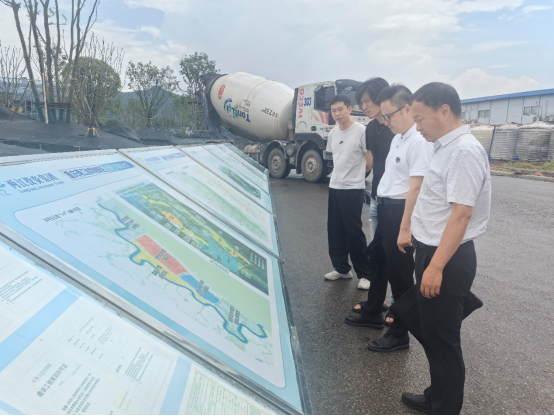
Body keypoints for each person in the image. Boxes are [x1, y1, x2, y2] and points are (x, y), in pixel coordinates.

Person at [399, 83, 492, 416]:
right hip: (434, 252)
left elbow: (461, 215)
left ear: (444, 110)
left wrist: (436, 267)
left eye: (420, 119)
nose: (417, 127)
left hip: (446, 258)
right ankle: (436, 395)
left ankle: (444, 408)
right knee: (430, 330)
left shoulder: (464, 151)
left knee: (444, 341)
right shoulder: (444, 147)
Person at [345, 85, 433, 354]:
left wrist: (405, 228)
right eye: (383, 116)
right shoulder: (398, 138)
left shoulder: (419, 142)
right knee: (378, 261)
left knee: (400, 274)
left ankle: (399, 333)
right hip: (385, 208)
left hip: (399, 212)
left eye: (389, 116)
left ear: (407, 109)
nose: (385, 121)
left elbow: (416, 188)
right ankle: (373, 312)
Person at [353, 78, 397, 299]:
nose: (364, 106)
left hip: (396, 200)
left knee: (396, 256)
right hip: (376, 197)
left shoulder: (397, 128)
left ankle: (398, 307)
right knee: (378, 255)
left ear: (381, 97)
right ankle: (376, 303)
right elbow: (370, 161)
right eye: (361, 102)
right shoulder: (370, 128)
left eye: (367, 100)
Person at [324, 95, 373, 286]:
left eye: (340, 109)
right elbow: (336, 158)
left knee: (354, 233)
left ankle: (365, 274)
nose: (337, 113)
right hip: (335, 186)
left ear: (349, 109)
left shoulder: (361, 131)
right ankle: (342, 269)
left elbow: (369, 159)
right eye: (333, 110)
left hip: (353, 188)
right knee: (335, 230)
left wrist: (358, 176)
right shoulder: (333, 133)